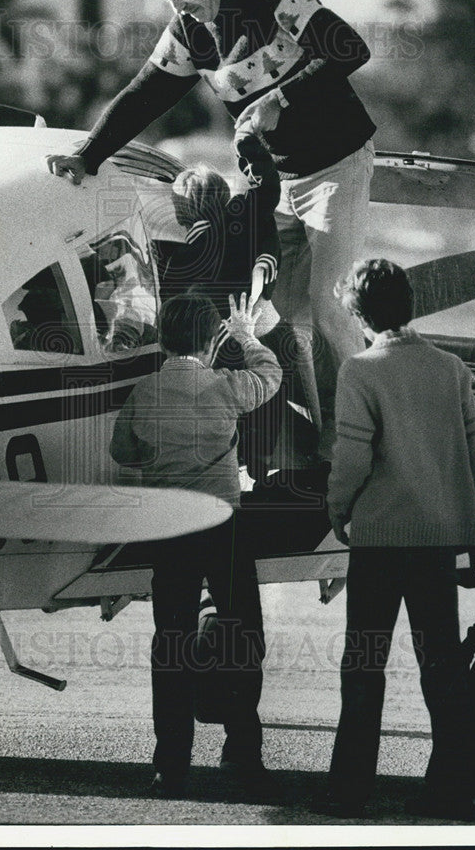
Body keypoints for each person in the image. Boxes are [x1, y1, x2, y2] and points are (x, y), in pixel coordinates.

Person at [46, 0, 376, 458]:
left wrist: (279, 99)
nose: (176, 6)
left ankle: (366, 435)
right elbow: (143, 97)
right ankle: (317, 438)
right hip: (277, 178)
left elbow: (351, 49)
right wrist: (87, 156)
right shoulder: (189, 33)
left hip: (337, 163)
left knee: (328, 302)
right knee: (273, 312)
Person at [320, 259, 475, 821]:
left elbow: (351, 459)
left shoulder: (361, 371)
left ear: (358, 313)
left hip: (379, 543)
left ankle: (349, 790)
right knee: (441, 666)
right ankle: (453, 789)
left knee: (364, 665)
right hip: (437, 543)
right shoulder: (451, 369)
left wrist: (337, 509)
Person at [109, 291, 281, 798]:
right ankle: (243, 752)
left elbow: (124, 451)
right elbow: (271, 375)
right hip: (222, 525)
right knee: (244, 633)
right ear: (211, 342)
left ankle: (172, 764)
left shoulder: (145, 392)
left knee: (173, 641)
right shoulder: (227, 386)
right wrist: (248, 335)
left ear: (164, 339)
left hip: (169, 529)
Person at [160, 122, 287, 482]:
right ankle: (262, 468)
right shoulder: (245, 217)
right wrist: (250, 146)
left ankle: (235, 468)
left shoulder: (190, 247)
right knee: (269, 394)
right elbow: (268, 189)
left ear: (185, 209)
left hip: (217, 338)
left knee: (228, 405)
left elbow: (171, 295)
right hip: (264, 325)